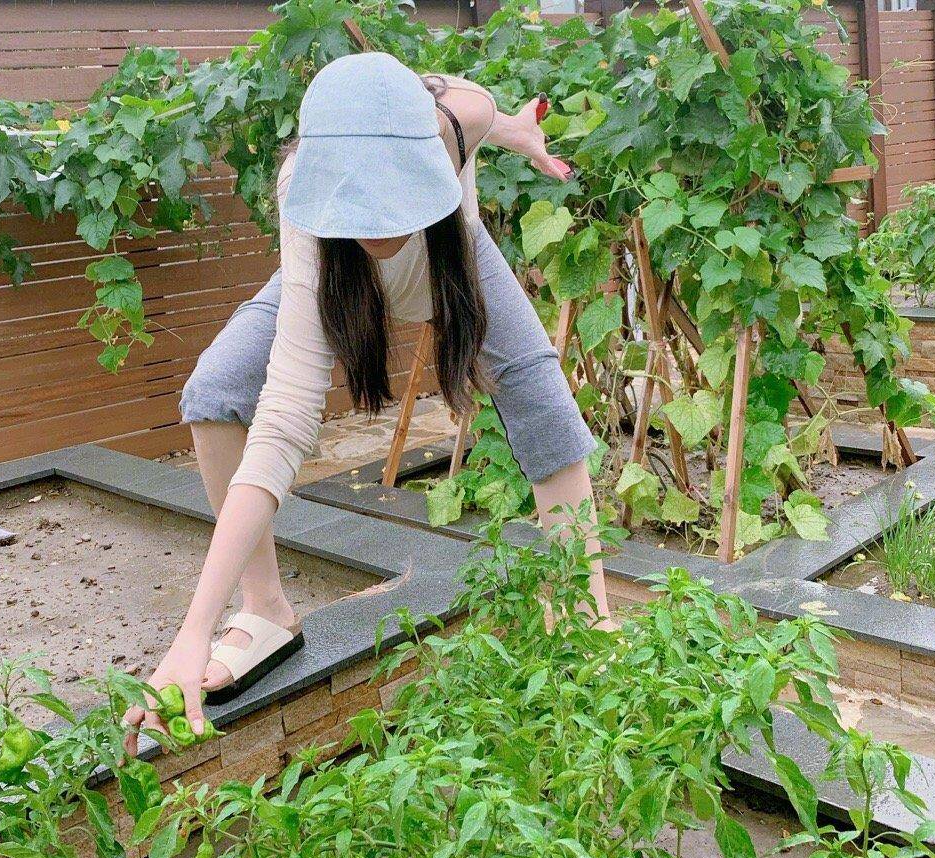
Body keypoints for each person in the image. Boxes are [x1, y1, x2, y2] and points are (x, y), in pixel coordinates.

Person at [124, 52, 612, 752]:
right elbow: (283, 424)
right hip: (331, 285)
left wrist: (518, 134)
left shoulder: (455, 117)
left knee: (541, 396)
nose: (379, 220)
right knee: (217, 388)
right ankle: (264, 609)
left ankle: (584, 615)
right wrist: (193, 629)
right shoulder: (304, 198)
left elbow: (486, 115)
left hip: (455, 269)